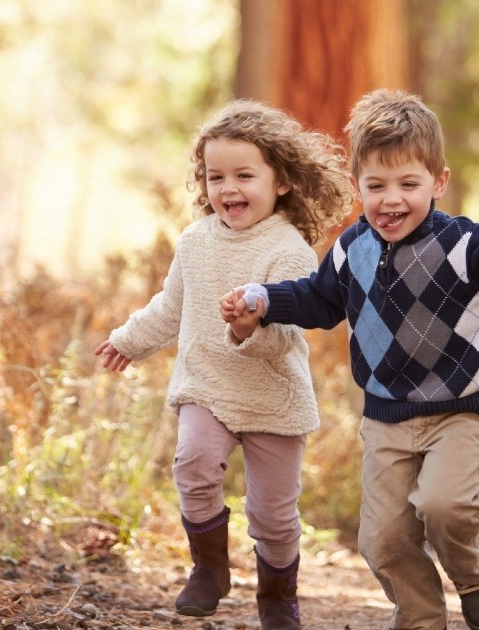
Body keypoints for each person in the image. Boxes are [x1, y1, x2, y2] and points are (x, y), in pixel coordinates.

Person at [221, 89, 479, 630]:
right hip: (386, 418)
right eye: (375, 186)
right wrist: (262, 299)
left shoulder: (464, 245)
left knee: (446, 506)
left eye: (408, 184)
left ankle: (472, 575)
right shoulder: (352, 249)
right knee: (383, 539)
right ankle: (421, 618)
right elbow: (320, 299)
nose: (390, 200)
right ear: (357, 187)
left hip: (458, 409)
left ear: (438, 182)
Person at [95, 100, 352, 630]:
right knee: (192, 463)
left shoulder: (291, 251)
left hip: (272, 397)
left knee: (273, 516)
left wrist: (246, 328)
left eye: (243, 175)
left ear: (280, 180)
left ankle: (279, 596)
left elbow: (283, 341)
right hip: (206, 385)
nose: (228, 189)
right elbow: (171, 307)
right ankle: (209, 568)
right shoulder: (195, 241)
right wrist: (129, 340)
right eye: (216, 177)